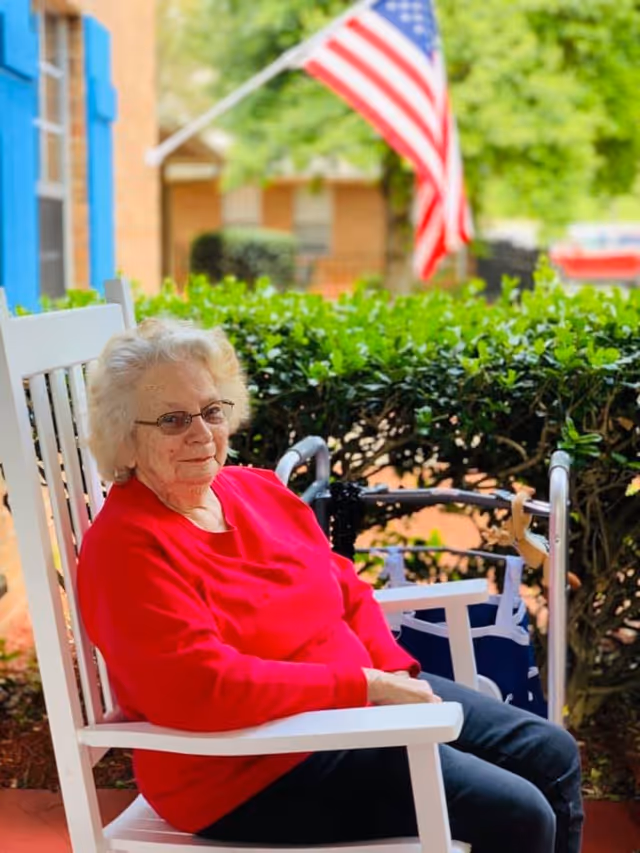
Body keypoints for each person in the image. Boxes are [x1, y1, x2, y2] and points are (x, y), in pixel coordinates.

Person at [77, 318, 583, 853]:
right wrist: (365, 688)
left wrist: (388, 669)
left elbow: (343, 586)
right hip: (247, 770)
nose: (202, 434)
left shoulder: (253, 490)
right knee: (519, 815)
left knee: (553, 753)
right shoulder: (127, 550)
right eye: (173, 420)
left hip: (349, 710)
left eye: (211, 411)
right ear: (125, 440)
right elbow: (205, 687)